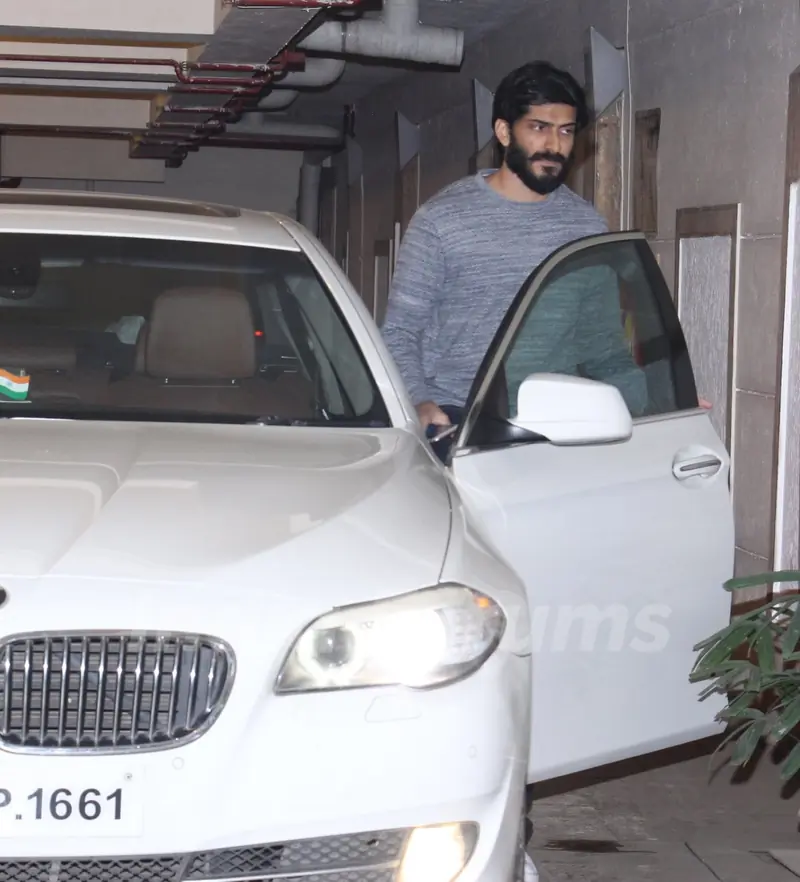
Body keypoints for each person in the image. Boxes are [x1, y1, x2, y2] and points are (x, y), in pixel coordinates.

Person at [381, 61, 652, 461]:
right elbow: (401, 333)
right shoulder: (443, 220)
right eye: (538, 127)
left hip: (557, 431)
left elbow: (603, 347)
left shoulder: (587, 228)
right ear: (504, 131)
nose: (555, 145)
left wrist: (661, 402)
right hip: (457, 426)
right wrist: (419, 403)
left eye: (565, 131)